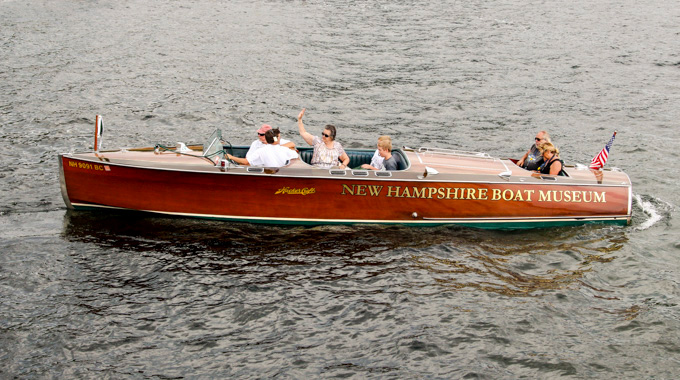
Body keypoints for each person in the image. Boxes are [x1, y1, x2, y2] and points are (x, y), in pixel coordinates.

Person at [227, 129, 298, 167]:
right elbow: (296, 155)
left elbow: (246, 162)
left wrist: (231, 157)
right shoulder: (285, 150)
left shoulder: (261, 151)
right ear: (277, 139)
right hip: (281, 175)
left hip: (269, 176)